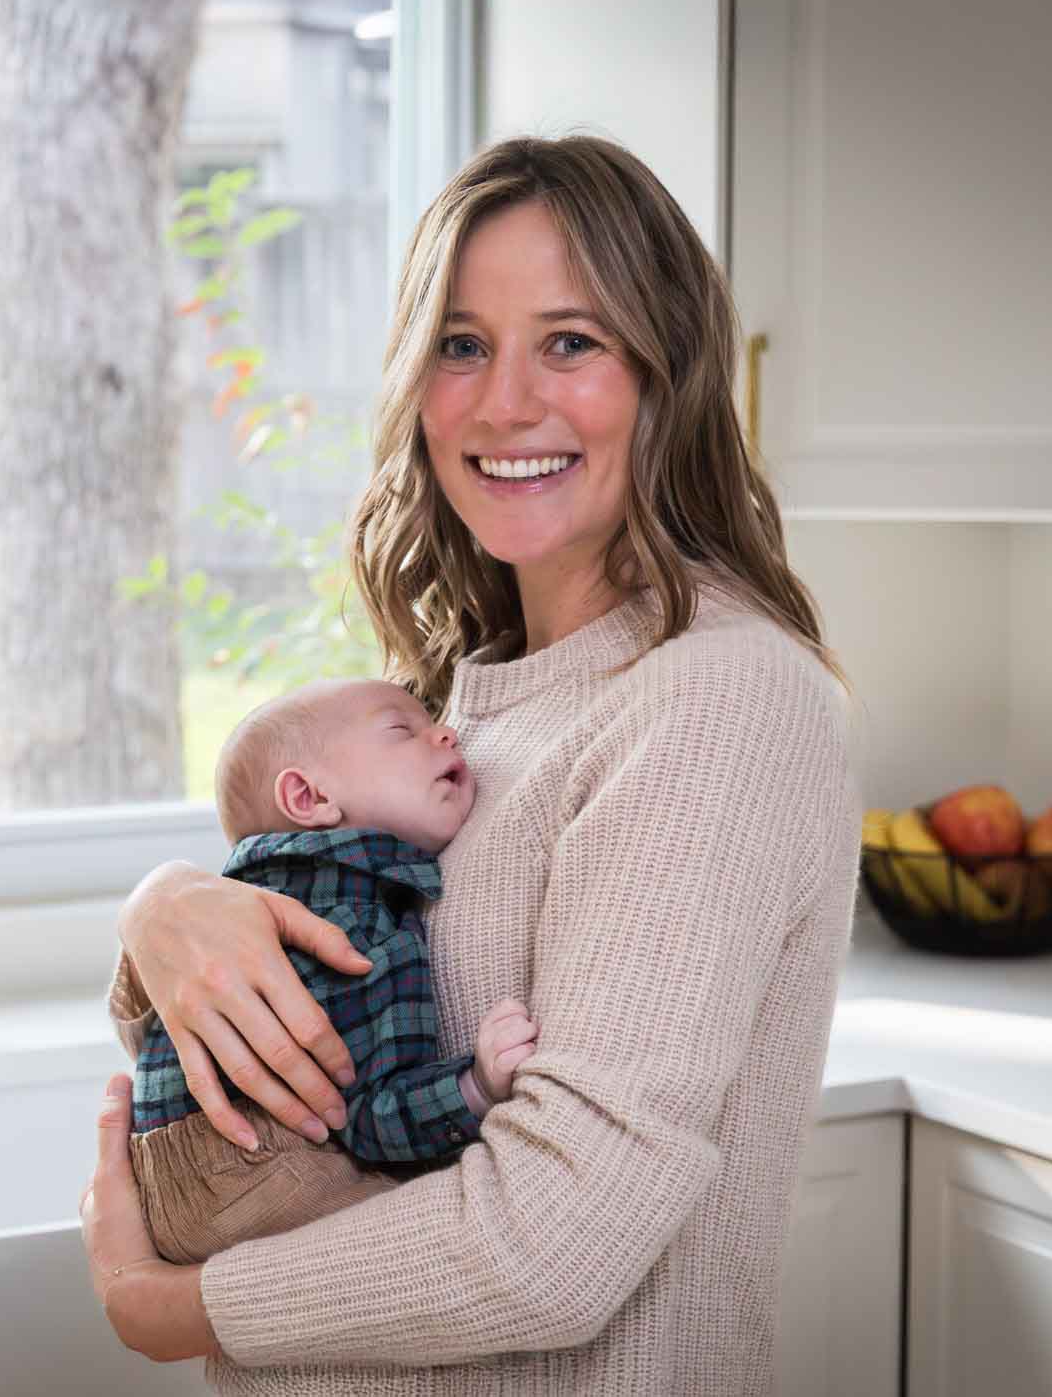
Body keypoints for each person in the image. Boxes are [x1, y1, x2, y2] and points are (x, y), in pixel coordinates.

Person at [80, 133, 862, 1395]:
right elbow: (301, 1006)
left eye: (571, 340)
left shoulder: (719, 700)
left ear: (668, 376)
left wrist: (164, 1310)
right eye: (460, 342)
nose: (504, 401)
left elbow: (550, 1241)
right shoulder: (464, 701)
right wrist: (160, 911)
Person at [127, 677, 539, 1265]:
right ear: (309, 798)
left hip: (173, 1182)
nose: (448, 733)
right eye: (404, 731)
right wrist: (474, 1086)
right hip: (250, 1176)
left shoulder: (247, 903)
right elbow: (369, 1118)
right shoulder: (355, 928)